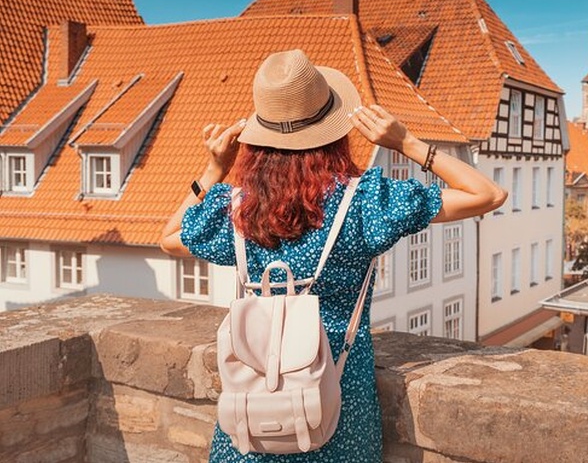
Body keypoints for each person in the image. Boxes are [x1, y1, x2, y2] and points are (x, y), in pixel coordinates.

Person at [159, 49, 506, 462]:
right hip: (339, 413)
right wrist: (406, 143)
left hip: (252, 421)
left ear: (258, 140)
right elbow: (487, 194)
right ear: (332, 133)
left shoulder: (237, 208)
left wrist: (215, 167)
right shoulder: (364, 203)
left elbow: (170, 237)